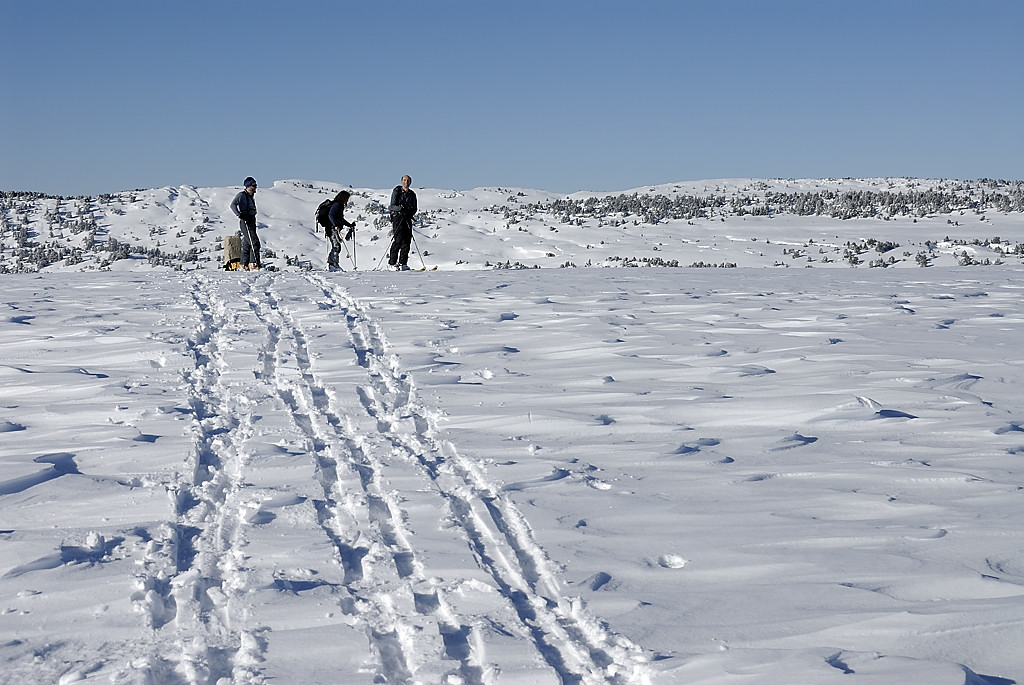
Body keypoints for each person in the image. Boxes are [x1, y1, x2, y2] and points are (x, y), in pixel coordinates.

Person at [230, 177, 261, 269]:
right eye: (253, 185)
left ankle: (244, 264)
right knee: (254, 242)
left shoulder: (250, 196)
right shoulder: (242, 195)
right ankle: (254, 263)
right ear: (248, 186)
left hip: (251, 220)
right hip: (246, 220)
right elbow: (233, 205)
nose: (255, 187)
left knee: (247, 243)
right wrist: (239, 215)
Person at [387, 174, 417, 270]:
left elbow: (415, 208)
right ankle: (392, 263)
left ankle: (403, 263)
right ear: (401, 181)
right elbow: (392, 206)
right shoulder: (397, 191)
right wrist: (400, 209)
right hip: (398, 217)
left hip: (407, 218)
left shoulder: (412, 194)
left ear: (410, 182)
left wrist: (409, 212)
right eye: (404, 180)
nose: (406, 182)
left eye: (408, 180)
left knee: (407, 241)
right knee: (398, 239)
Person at [326, 190, 355, 270]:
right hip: (332, 229)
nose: (347, 200)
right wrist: (335, 225)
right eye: (347, 198)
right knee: (336, 246)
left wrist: (349, 225)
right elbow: (331, 215)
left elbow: (340, 219)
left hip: (333, 228)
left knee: (336, 246)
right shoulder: (337, 205)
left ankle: (332, 264)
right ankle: (333, 265)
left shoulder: (339, 205)